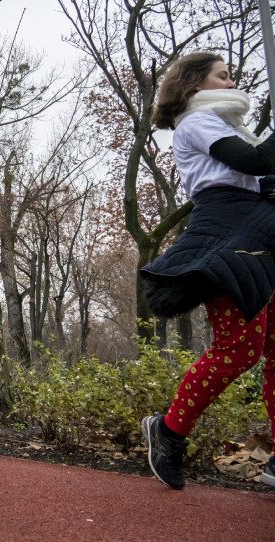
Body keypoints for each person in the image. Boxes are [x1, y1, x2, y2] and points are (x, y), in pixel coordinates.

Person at [139, 52, 275, 490]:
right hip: (226, 233)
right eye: (224, 75)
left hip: (260, 231)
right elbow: (253, 163)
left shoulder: (232, 125)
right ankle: (169, 431)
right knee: (240, 350)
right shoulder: (197, 123)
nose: (232, 80)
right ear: (196, 84)